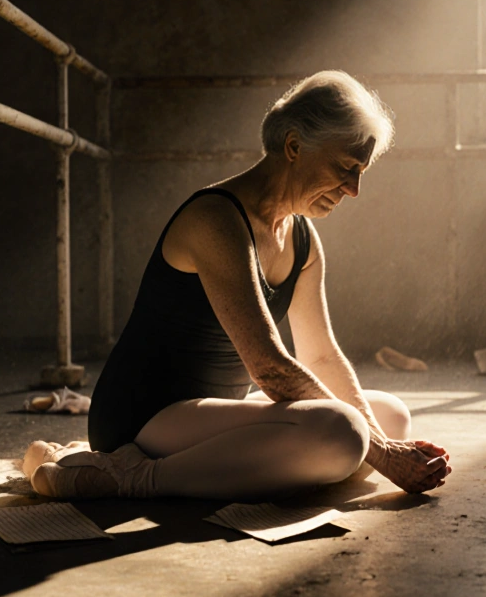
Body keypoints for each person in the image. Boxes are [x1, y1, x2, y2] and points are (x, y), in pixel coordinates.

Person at [23, 70, 451, 500]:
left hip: (213, 410)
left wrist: (385, 444)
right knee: (345, 435)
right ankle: (127, 476)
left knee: (389, 417)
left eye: (361, 172)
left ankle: (218, 465)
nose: (354, 189)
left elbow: (321, 355)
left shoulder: (301, 237)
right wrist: (384, 455)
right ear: (295, 147)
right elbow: (267, 366)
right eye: (346, 168)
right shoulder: (216, 219)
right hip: (145, 416)